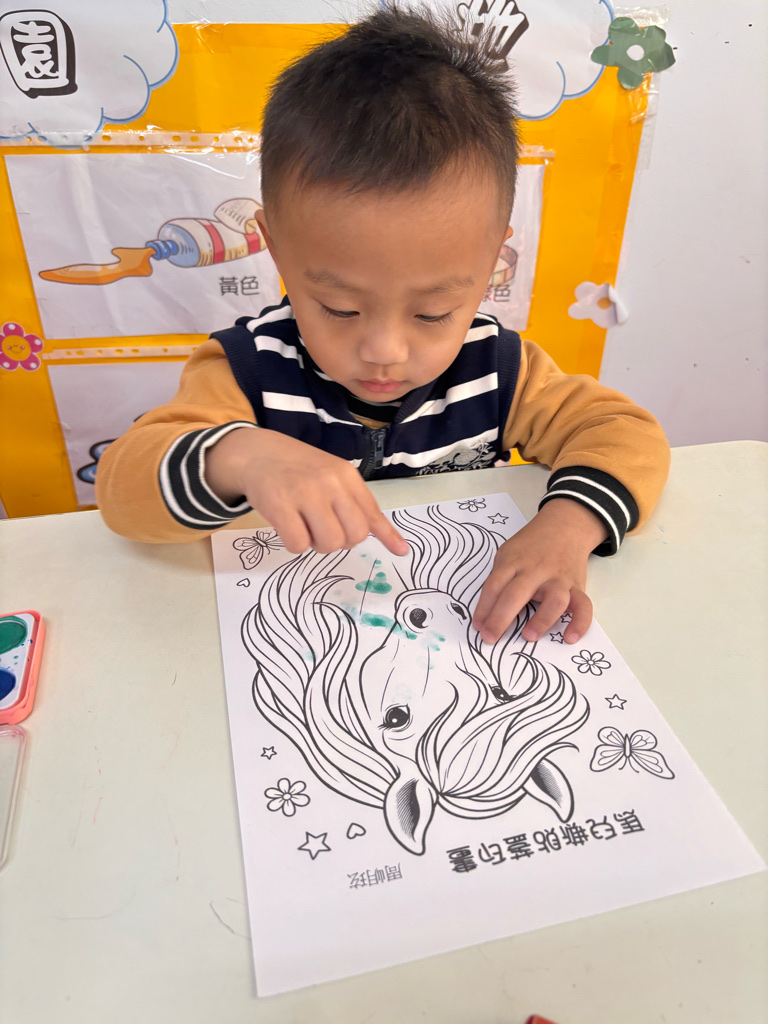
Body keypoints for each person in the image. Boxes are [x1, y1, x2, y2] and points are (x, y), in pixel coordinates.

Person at [96, 3, 670, 649]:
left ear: (490, 265)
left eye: (432, 313)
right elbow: (122, 491)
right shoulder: (246, 370)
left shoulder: (500, 369)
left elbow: (625, 433)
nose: (384, 350)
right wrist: (238, 456)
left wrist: (569, 526)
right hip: (301, 629)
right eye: (340, 308)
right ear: (276, 250)